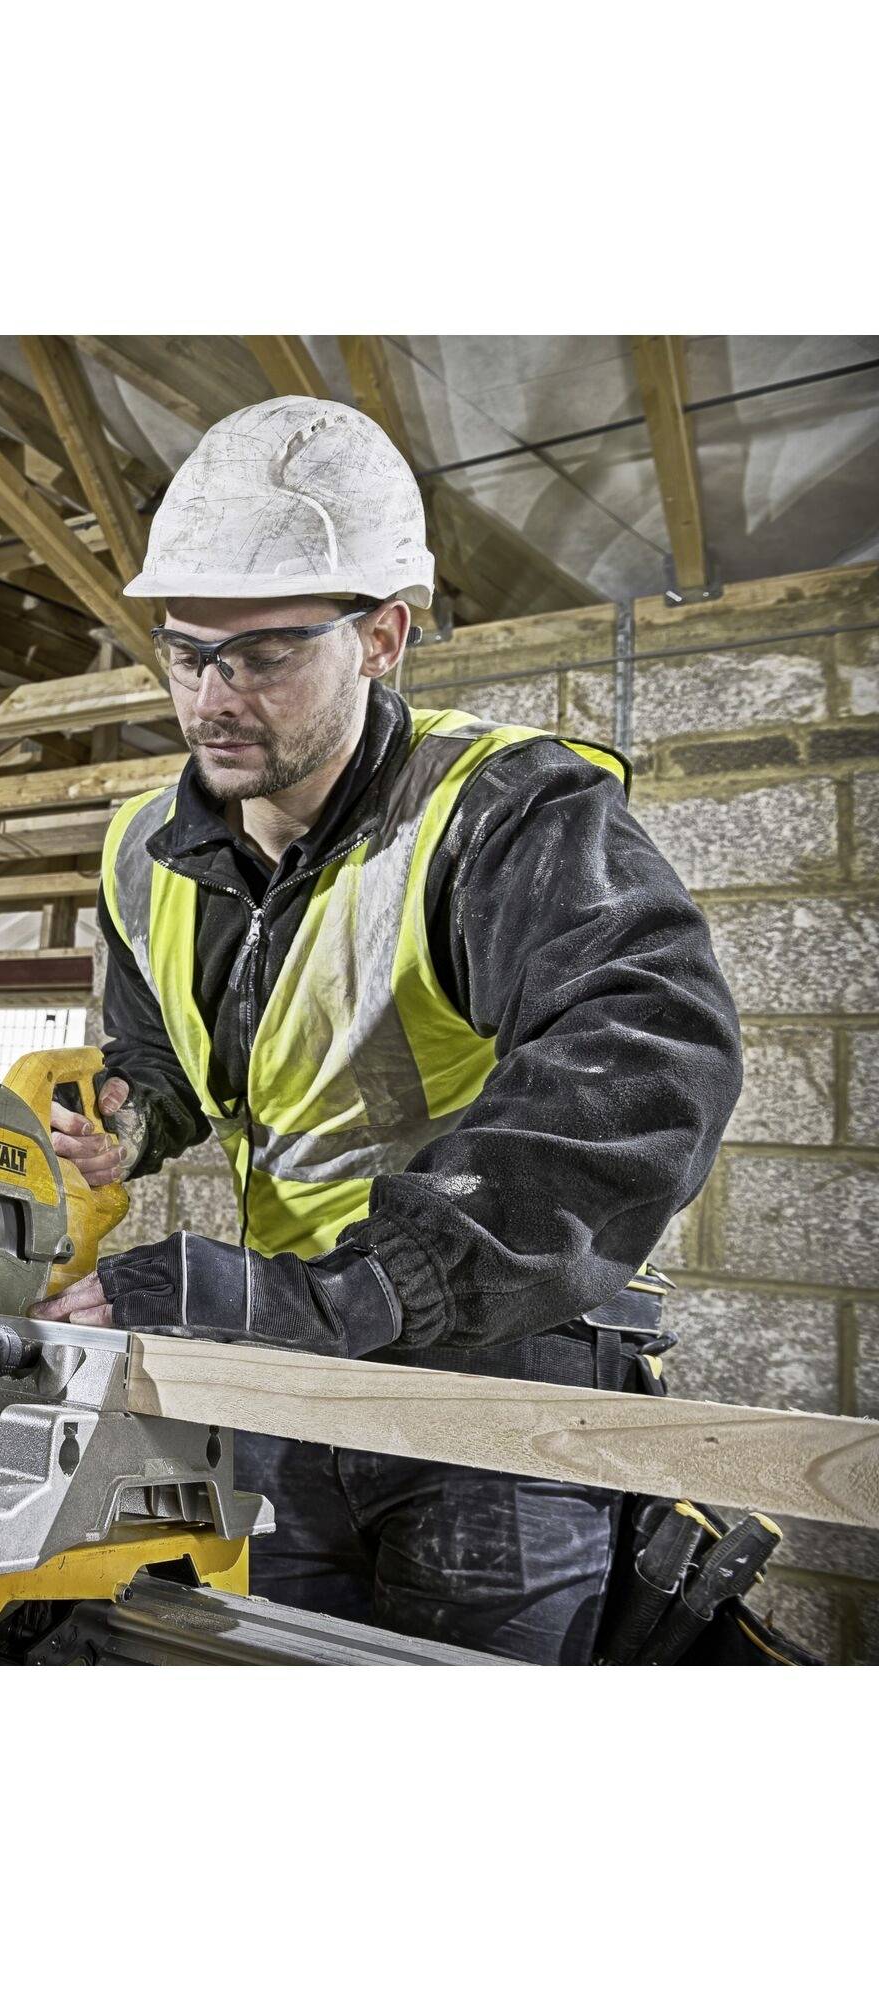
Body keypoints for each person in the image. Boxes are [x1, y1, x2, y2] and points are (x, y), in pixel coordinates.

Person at [37, 395, 743, 1664]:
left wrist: (346, 1291)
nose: (211, 695)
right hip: (283, 1371)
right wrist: (121, 1129)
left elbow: (649, 1057)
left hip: (490, 1373)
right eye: (186, 649)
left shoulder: (500, 809)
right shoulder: (143, 848)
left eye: (263, 655)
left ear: (382, 638)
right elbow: (163, 1058)